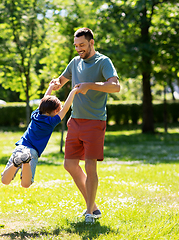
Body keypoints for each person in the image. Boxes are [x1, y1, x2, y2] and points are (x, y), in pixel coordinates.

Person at [51, 27, 120, 224]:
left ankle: (89, 212)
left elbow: (115, 86)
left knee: (90, 166)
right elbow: (62, 80)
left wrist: (90, 85)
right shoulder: (75, 62)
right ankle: (94, 207)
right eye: (76, 46)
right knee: (70, 164)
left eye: (82, 45)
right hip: (75, 120)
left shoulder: (103, 62)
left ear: (91, 42)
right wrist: (56, 83)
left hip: (95, 122)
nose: (78, 49)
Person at [1, 83, 80, 188]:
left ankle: (16, 163)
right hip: (32, 152)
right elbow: (66, 108)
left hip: (20, 147)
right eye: (58, 111)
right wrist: (73, 92)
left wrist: (51, 87)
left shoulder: (35, 114)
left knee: (4, 181)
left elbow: (44, 100)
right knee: (26, 184)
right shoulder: (51, 121)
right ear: (55, 111)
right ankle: (25, 161)